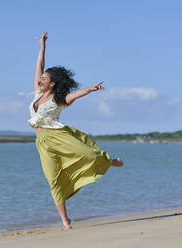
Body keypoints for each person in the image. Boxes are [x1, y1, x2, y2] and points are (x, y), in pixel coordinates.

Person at [27, 31, 124, 231]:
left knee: (88, 154)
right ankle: (65, 221)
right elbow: (39, 66)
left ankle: (109, 161)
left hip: (57, 136)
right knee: (52, 179)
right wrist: (42, 47)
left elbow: (76, 95)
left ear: (52, 84)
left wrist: (90, 89)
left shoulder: (59, 100)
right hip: (42, 142)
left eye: (43, 79)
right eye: (41, 78)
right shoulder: (38, 93)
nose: (40, 80)